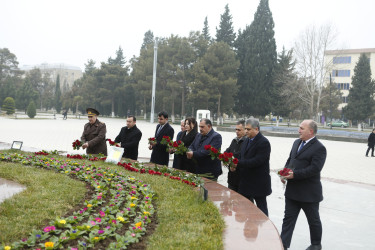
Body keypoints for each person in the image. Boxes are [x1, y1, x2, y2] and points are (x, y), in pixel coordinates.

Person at [280, 120, 327, 250]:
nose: (298, 130)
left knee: (313, 221)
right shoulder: (296, 142)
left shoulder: (319, 148)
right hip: (292, 191)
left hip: (309, 193)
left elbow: (314, 169)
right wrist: (284, 172)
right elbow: (290, 160)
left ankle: (316, 244)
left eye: (301, 128)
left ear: (310, 131)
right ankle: (283, 244)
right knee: (288, 219)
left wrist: (295, 175)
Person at [232, 118, 271, 216]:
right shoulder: (246, 141)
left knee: (261, 210)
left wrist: (238, 163)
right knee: (244, 209)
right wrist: (233, 165)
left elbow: (257, 161)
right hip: (245, 182)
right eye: (245, 129)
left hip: (258, 183)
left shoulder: (264, 142)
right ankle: (249, 229)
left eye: (248, 129)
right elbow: (241, 156)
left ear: (256, 129)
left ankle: (265, 229)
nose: (246, 131)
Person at [225, 120, 246, 192]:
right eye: (236, 129)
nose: (237, 131)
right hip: (232, 178)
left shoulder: (247, 142)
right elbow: (227, 151)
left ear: (245, 130)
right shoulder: (234, 140)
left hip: (242, 179)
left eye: (239, 130)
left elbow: (242, 157)